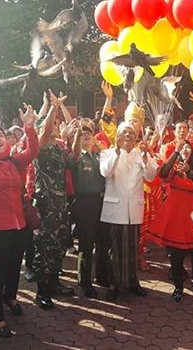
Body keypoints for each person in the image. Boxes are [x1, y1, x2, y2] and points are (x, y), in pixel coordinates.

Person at [0, 101, 39, 338]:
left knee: (14, 268)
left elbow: (32, 151)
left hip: (19, 225)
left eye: (1, 135)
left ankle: (10, 297)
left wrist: (29, 127)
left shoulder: (13, 161)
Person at [99, 121, 158, 301]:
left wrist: (147, 159)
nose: (128, 136)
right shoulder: (107, 153)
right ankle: (113, 284)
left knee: (133, 248)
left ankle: (133, 282)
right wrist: (116, 153)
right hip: (115, 209)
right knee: (115, 249)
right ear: (117, 136)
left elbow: (151, 176)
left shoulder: (141, 154)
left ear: (136, 137)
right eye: (124, 132)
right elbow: (106, 172)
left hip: (134, 209)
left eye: (131, 133)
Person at [148, 139, 193, 301]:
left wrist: (190, 172)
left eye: (188, 148)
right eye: (182, 148)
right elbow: (162, 174)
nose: (185, 150)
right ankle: (178, 286)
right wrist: (174, 153)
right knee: (175, 254)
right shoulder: (173, 169)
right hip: (174, 217)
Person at [31, 90, 76, 310]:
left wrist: (74, 136)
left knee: (59, 246)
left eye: (57, 124)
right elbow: (46, 128)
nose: (55, 126)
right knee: (44, 248)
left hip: (61, 205)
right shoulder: (39, 146)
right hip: (45, 204)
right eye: (53, 124)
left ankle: (55, 282)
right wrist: (53, 107)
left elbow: (73, 159)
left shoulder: (58, 148)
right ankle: (42, 292)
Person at [70, 121, 106, 299]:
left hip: (100, 202)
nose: (86, 135)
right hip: (84, 202)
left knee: (101, 241)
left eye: (89, 132)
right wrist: (76, 137)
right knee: (86, 244)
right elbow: (75, 155)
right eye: (83, 133)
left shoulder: (99, 156)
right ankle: (84, 282)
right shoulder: (77, 156)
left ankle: (101, 275)